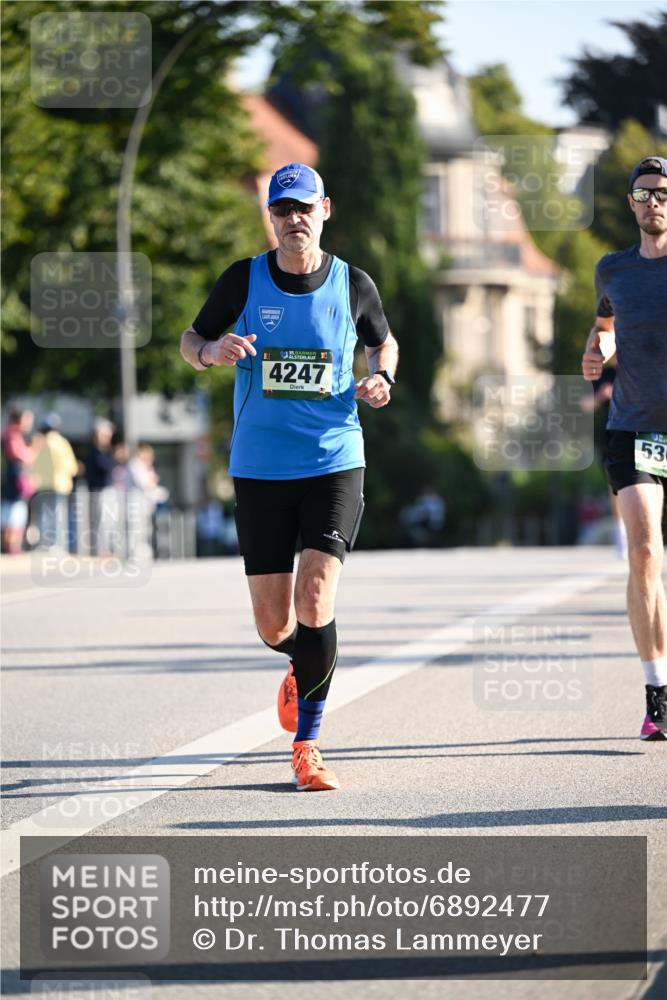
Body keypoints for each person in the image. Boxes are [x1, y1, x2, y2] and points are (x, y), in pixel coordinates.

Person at [180, 163, 398, 789]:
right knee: (275, 624)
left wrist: (382, 377)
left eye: (304, 208)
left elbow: (384, 343)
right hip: (260, 467)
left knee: (316, 596)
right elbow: (190, 339)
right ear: (272, 216)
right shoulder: (243, 281)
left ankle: (308, 744)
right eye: (282, 210)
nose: (293, 219)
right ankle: (304, 659)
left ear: (325, 209)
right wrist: (210, 353)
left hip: (334, 459)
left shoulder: (353, 283)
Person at [581, 155, 667, 741]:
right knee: (643, 552)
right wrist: (597, 351)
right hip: (635, 427)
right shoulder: (612, 269)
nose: (653, 202)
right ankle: (657, 693)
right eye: (644, 194)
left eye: (662, 193)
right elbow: (604, 324)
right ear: (630, 202)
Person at [31, 413, 79, 551]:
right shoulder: (61, 443)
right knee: (58, 516)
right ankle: (55, 545)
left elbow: (32, 464)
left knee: (43, 515)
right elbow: (71, 466)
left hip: (41, 485)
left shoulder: (38, 442)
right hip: (59, 484)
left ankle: (43, 544)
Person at [1, 409, 36, 554]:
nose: (29, 423)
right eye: (27, 419)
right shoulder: (12, 434)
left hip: (14, 478)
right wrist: (34, 449)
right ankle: (12, 546)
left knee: (15, 512)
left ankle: (13, 546)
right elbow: (22, 455)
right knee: (14, 512)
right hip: (14, 480)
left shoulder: (12, 433)